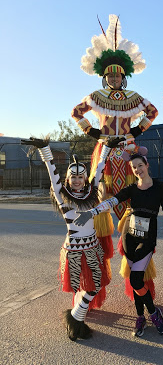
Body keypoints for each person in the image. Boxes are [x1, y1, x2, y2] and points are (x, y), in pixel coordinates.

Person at [21, 136, 124, 341]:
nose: (77, 180)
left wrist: (107, 149)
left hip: (93, 247)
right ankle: (76, 321)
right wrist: (46, 149)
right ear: (68, 179)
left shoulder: (92, 194)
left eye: (81, 177)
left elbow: (99, 170)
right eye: (73, 177)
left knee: (95, 284)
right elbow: (52, 172)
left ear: (85, 179)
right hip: (74, 250)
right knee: (81, 285)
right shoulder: (62, 196)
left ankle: (75, 317)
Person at [74, 148, 163, 337]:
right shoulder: (131, 189)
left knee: (136, 280)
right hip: (129, 235)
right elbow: (111, 201)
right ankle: (141, 317)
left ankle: (153, 312)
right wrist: (92, 212)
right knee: (135, 279)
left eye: (140, 166)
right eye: (134, 167)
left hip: (147, 239)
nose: (138, 170)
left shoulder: (161, 187)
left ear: (147, 165)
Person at [72, 14, 158, 220]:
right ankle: (103, 246)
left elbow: (153, 111)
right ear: (105, 77)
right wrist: (92, 131)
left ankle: (129, 244)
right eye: (110, 75)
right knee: (103, 193)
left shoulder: (133, 97)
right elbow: (76, 112)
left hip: (128, 149)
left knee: (130, 194)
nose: (114, 78)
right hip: (105, 150)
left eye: (117, 75)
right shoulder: (96, 96)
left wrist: (137, 130)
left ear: (123, 77)